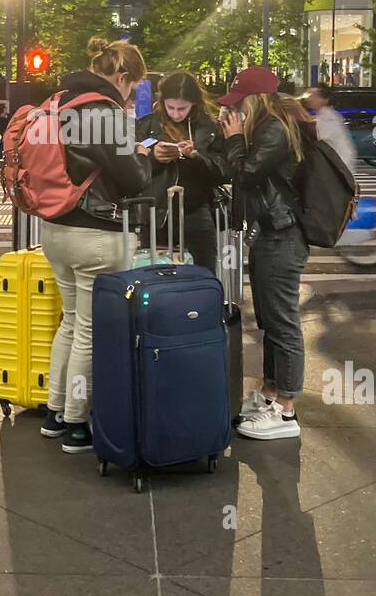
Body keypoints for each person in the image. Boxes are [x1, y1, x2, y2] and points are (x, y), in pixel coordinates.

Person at [40, 37, 152, 454]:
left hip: (54, 228)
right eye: (132, 87)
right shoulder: (100, 110)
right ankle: (76, 424)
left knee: (70, 322)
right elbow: (134, 178)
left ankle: (54, 413)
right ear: (122, 77)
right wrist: (142, 155)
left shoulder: (58, 101)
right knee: (89, 330)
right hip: (96, 231)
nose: (130, 95)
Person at [219, 66, 314, 441]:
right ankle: (271, 394)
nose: (235, 111)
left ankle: (286, 410)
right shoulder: (268, 128)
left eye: (239, 104)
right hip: (270, 233)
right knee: (271, 323)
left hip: (283, 235)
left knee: (283, 323)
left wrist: (235, 139)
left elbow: (247, 172)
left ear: (254, 101)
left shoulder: (274, 129)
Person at [134, 71, 227, 272]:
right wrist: (153, 158)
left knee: (204, 272)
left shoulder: (209, 127)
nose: (176, 114)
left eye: (182, 108)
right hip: (156, 211)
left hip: (196, 209)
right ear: (162, 101)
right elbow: (134, 169)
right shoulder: (147, 125)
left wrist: (196, 156)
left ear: (194, 103)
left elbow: (224, 171)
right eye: (171, 107)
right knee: (157, 274)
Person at [301, 82, 357, 172]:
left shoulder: (329, 118)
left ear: (325, 100)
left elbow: (320, 138)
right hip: (334, 165)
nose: (309, 98)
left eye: (314, 95)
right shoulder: (323, 115)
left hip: (338, 166)